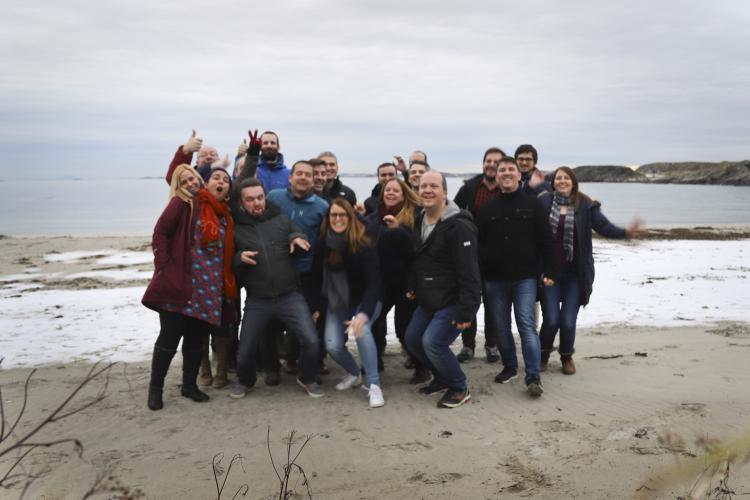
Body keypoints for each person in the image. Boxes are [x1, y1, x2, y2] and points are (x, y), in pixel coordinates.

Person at [142, 163, 237, 410]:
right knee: (168, 340)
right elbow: (160, 233)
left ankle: (189, 386)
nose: (192, 184)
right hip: (181, 286)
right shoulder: (182, 204)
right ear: (178, 186)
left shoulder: (221, 212)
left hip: (208, 289)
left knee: (196, 341)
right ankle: (156, 389)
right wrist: (163, 266)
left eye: (194, 179)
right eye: (185, 181)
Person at [538, 167, 643, 374]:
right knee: (551, 320)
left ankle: (566, 356)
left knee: (567, 322)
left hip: (575, 274)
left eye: (566, 178)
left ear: (573, 182)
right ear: (553, 183)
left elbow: (604, 227)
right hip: (549, 274)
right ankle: (543, 355)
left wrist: (626, 233)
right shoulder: (543, 202)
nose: (562, 181)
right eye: (558, 178)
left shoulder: (585, 204)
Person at [229, 178, 323, 399]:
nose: (257, 203)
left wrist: (297, 238)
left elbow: (298, 234)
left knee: (311, 341)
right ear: (242, 203)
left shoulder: (280, 219)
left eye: (260, 197)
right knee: (244, 353)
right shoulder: (236, 229)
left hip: (290, 296)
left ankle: (306, 377)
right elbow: (230, 264)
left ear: (265, 197)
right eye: (250, 199)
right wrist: (238, 258)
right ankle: (246, 381)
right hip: (257, 300)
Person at [476, 157, 558, 397]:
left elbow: (547, 241)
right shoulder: (488, 208)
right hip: (494, 280)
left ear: (519, 175)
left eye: (511, 169)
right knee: (501, 328)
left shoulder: (533, 205)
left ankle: (533, 376)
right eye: (502, 170)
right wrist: (480, 277)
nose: (507, 173)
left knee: (526, 326)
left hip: (525, 278)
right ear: (497, 176)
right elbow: (479, 246)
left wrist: (551, 271)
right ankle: (510, 367)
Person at [405, 171, 480, 409]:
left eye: (433, 186)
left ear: (444, 192)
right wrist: (413, 285)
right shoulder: (420, 218)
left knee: (433, 343)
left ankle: (460, 387)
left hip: (453, 300)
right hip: (429, 297)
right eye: (423, 186)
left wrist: (466, 311)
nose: (427, 190)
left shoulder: (459, 226)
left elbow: (470, 272)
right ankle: (442, 378)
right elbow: (420, 258)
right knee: (413, 339)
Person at [312, 199, 385, 408]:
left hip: (367, 298)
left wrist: (363, 315)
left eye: (342, 215)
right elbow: (315, 278)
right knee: (333, 344)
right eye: (333, 215)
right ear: (328, 218)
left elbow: (374, 283)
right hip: (339, 299)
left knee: (363, 330)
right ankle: (354, 373)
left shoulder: (363, 242)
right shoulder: (322, 243)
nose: (337, 219)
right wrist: (315, 306)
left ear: (350, 217)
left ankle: (374, 385)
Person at [267, 161, 330, 378]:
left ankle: (303, 363)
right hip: (274, 270)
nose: (303, 177)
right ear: (290, 177)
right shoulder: (274, 197)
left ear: (314, 180)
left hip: (305, 274)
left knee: (304, 321)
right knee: (271, 323)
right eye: (299, 173)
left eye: (308, 175)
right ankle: (273, 367)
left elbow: (326, 242)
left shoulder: (322, 207)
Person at [365, 178, 428, 382]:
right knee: (372, 321)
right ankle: (375, 361)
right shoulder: (373, 217)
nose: (391, 193)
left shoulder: (414, 216)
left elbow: (416, 251)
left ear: (404, 194)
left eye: (396, 190)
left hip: (405, 282)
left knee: (404, 329)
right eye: (387, 190)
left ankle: (421, 367)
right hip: (380, 281)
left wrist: (398, 230)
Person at [453, 147, 507, 363]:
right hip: (470, 253)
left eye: (496, 162)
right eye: (488, 161)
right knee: (470, 299)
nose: (491, 165)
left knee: (493, 302)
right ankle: (468, 346)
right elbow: (452, 211)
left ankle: (491, 345)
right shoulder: (470, 187)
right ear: (483, 163)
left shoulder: (509, 188)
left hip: (498, 255)